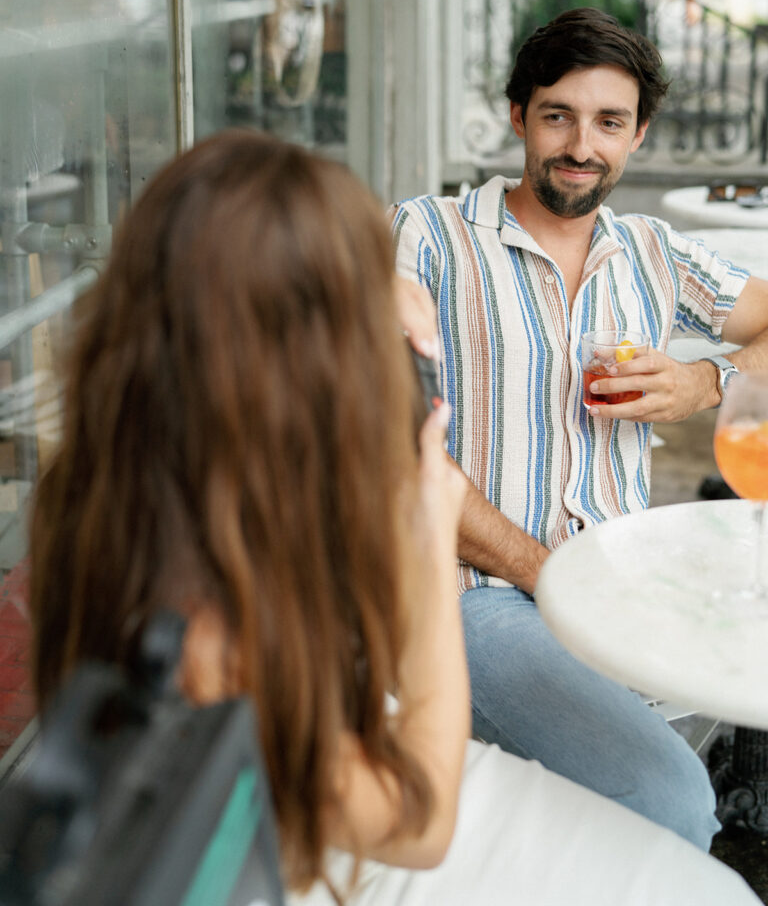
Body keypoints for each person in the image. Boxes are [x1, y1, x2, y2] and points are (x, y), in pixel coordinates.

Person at [26, 130, 760, 905]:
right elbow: (419, 820)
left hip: (341, 753)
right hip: (351, 830)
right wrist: (426, 543)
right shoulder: (192, 614)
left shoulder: (143, 467)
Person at [391, 7, 768, 851]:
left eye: (609, 122)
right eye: (558, 115)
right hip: (475, 595)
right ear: (519, 116)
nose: (580, 146)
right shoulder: (428, 237)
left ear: (639, 135)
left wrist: (706, 380)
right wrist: (551, 573)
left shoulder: (651, 253)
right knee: (670, 802)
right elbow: (392, 453)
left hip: (619, 585)